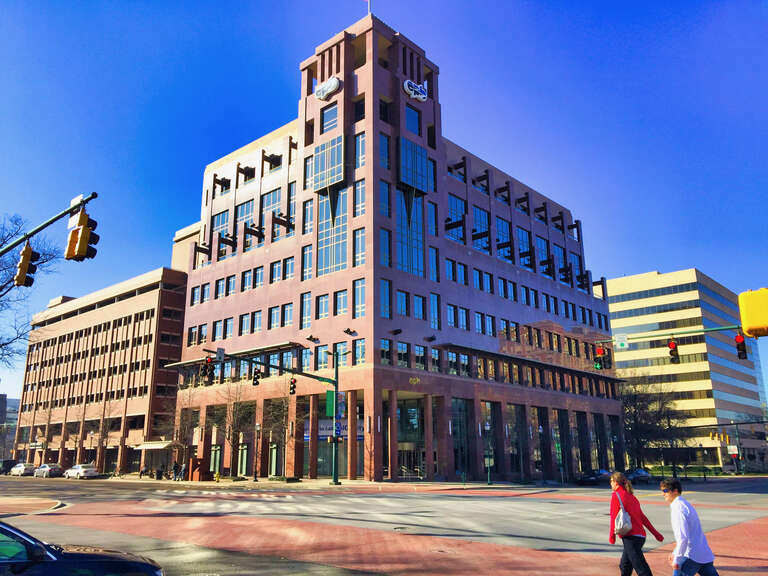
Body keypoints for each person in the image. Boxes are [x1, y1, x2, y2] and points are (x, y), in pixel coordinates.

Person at [609, 471, 664, 576]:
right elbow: (643, 518)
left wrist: (612, 536)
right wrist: (656, 534)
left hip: (631, 538)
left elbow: (613, 517)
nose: (610, 484)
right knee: (624, 566)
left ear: (616, 482)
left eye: (611, 481)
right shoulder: (632, 497)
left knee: (642, 569)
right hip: (640, 537)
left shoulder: (616, 495)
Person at [660, 478, 719, 576]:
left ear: (675, 491)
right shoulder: (685, 504)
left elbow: (683, 537)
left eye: (665, 491)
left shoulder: (678, 508)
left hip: (690, 556)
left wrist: (677, 559)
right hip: (703, 553)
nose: (663, 494)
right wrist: (675, 551)